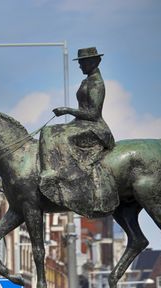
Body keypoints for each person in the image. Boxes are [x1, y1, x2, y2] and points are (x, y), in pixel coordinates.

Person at [39, 47, 119, 217]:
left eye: (83, 62)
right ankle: (50, 172)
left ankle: (68, 176)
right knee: (47, 132)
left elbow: (93, 114)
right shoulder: (88, 80)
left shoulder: (97, 83)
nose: (80, 66)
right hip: (82, 124)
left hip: (95, 128)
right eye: (80, 62)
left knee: (61, 138)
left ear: (94, 62)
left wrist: (67, 110)